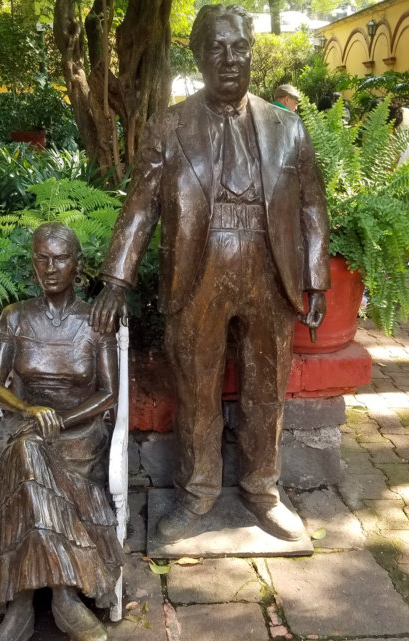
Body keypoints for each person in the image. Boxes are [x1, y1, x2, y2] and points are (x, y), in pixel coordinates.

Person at [90, 4, 330, 544]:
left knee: (266, 387)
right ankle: (196, 494)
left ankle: (263, 490)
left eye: (239, 47)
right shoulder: (169, 126)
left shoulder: (287, 127)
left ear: (252, 53)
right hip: (196, 277)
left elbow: (313, 206)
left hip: (271, 276)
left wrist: (316, 278)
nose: (229, 59)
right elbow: (140, 208)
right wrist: (116, 281)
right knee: (195, 389)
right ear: (197, 56)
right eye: (216, 48)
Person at [0, 222, 123, 641]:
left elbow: (109, 393)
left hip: (78, 434)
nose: (50, 267)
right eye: (41, 258)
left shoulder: (95, 320)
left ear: (78, 265)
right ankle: (60, 596)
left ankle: (26, 604)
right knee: (26, 451)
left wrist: (62, 419)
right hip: (24, 424)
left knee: (29, 455)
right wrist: (29, 410)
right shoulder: (15, 317)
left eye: (60, 258)